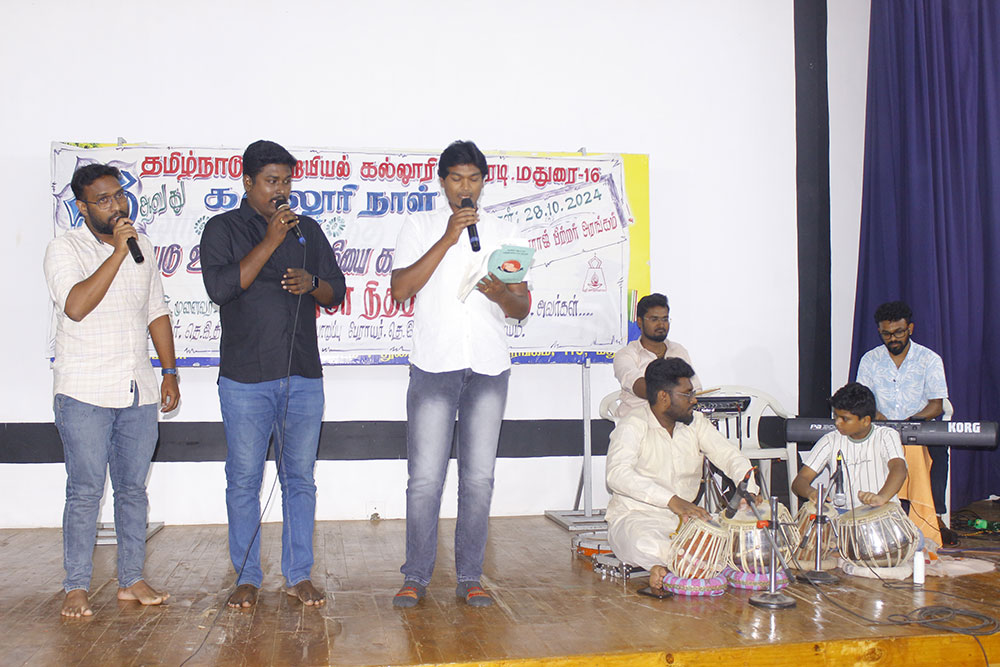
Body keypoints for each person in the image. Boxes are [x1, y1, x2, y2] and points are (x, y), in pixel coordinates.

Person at [201, 140, 346, 608]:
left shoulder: (308, 232)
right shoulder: (223, 228)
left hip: (302, 374)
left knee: (299, 480)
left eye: (286, 180)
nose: (280, 190)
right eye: (271, 181)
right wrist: (270, 240)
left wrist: (313, 284)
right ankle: (246, 577)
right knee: (244, 481)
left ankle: (298, 575)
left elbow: (337, 290)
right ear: (248, 182)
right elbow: (221, 287)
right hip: (245, 379)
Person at [389, 140, 530, 608]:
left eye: (472, 179)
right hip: (434, 366)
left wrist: (500, 294)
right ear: (442, 181)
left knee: (479, 479)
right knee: (425, 479)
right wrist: (448, 238)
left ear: (484, 182)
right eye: (455, 179)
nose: (464, 187)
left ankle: (470, 576)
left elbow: (520, 307)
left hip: (488, 367)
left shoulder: (506, 232)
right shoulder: (420, 226)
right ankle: (415, 575)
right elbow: (400, 289)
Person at [44, 163, 179, 617]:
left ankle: (131, 578)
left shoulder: (144, 246)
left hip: (137, 388)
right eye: (103, 199)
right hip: (84, 391)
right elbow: (76, 305)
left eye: (118, 195)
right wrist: (118, 252)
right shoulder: (64, 249)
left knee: (133, 490)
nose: (116, 205)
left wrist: (169, 372)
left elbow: (156, 310)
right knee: (85, 492)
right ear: (81, 208)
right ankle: (76, 586)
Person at [605, 357, 756, 590]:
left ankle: (671, 568)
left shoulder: (696, 423)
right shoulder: (632, 425)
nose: (694, 400)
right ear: (663, 397)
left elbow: (730, 456)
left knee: (735, 540)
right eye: (687, 394)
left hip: (688, 521)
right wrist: (671, 501)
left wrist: (748, 489)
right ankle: (688, 565)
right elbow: (617, 474)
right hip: (638, 518)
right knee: (644, 543)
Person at [855, 300, 952, 545]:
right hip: (880, 429)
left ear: (910, 328)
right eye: (886, 334)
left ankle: (933, 517)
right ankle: (875, 516)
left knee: (937, 452)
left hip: (920, 426)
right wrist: (878, 416)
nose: (893, 339)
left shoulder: (929, 359)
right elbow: (863, 400)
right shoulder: (870, 360)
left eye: (898, 332)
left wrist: (911, 422)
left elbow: (936, 405)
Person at [792, 383, 908, 509]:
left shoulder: (887, 435)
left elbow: (899, 469)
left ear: (865, 421)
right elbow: (800, 481)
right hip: (842, 514)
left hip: (882, 510)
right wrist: (811, 492)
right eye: (836, 416)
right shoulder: (830, 440)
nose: (837, 422)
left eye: (845, 419)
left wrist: (881, 497)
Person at [612, 293, 700, 418]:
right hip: (637, 420)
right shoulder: (626, 355)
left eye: (665, 319)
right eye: (654, 319)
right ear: (639, 321)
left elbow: (695, 389)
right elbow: (639, 386)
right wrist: (677, 395)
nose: (661, 325)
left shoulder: (678, 351)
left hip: (676, 422)